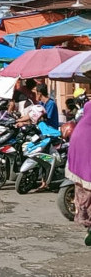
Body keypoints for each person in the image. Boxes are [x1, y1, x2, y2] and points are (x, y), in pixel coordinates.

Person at [65, 100, 91, 245]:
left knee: (82, 188)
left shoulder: (87, 106)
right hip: (86, 146)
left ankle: (88, 225)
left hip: (76, 144)